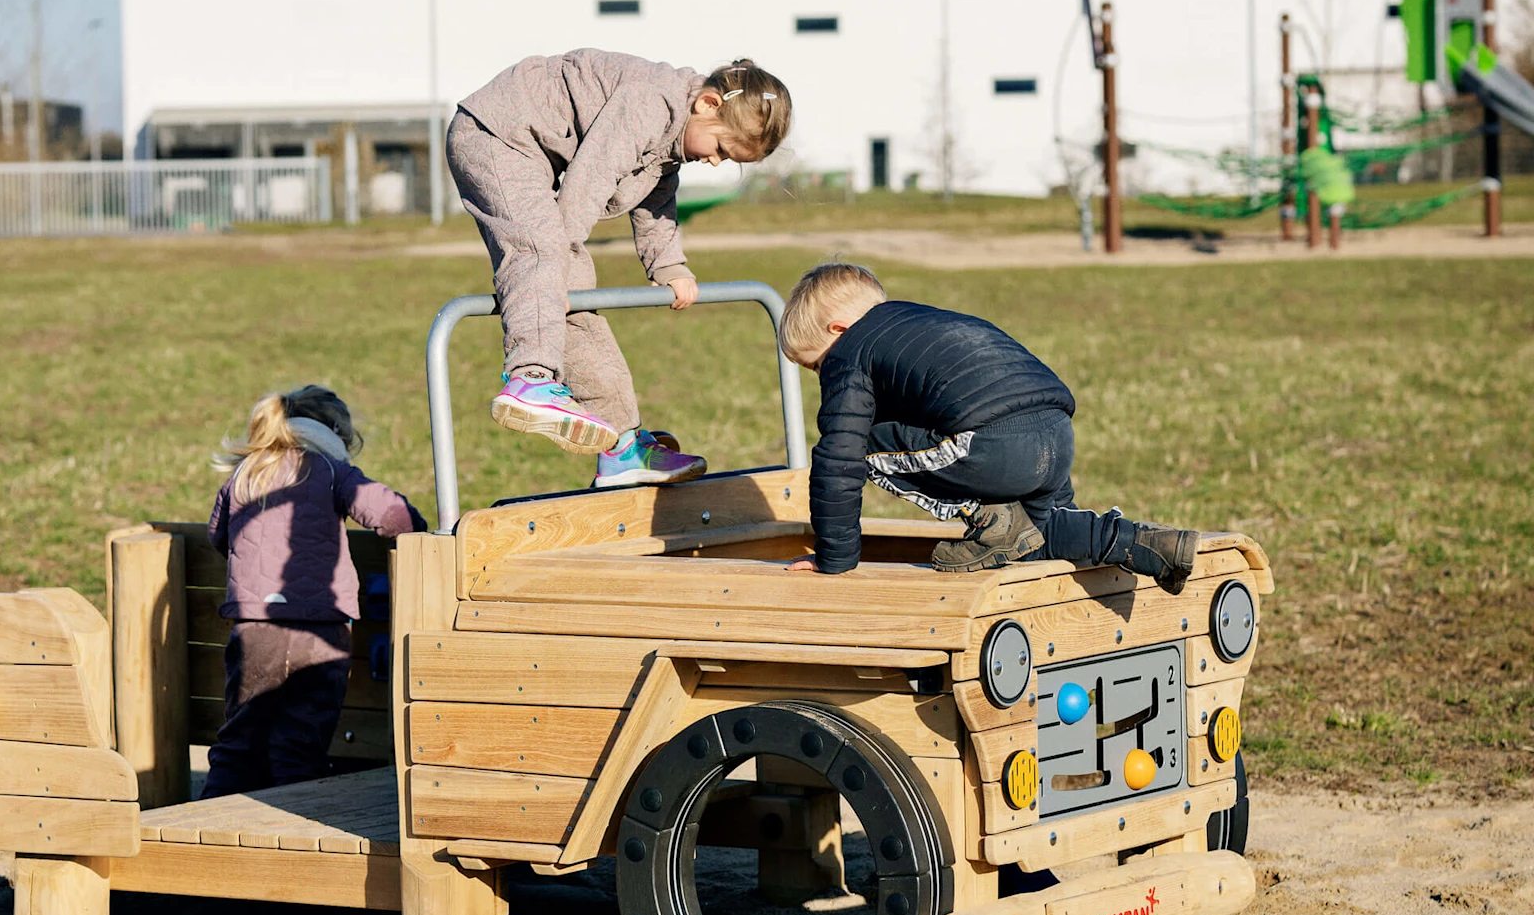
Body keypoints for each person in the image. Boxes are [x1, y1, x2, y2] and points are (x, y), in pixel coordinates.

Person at [448, 49, 792, 488]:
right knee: (541, 251)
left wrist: (670, 266)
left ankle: (621, 446)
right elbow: (592, 177)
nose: (714, 162)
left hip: (533, 154)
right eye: (721, 149)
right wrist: (557, 262)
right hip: (495, 134)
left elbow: (656, 201)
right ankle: (528, 379)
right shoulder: (650, 101)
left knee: (574, 296)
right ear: (708, 104)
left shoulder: (674, 136)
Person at [776, 263, 1201, 590]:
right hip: (1055, 428)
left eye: (817, 365)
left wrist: (834, 559)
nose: (823, 377)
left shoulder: (850, 351)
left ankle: (988, 519)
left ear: (839, 330)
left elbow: (838, 461)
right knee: (1040, 535)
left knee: (862, 448)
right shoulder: (925, 321)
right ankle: (1149, 545)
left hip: (994, 442)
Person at [201, 385, 425, 797]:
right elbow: (392, 516)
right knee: (301, 741)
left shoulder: (245, 473)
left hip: (256, 628)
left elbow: (218, 535)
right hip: (320, 631)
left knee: (240, 739)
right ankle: (297, 822)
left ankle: (211, 815)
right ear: (336, 434)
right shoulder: (331, 470)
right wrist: (419, 526)